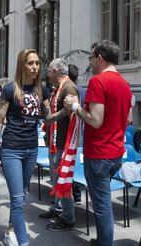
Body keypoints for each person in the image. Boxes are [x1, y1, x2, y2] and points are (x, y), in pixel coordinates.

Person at [0, 49, 68, 246]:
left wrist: (67, 110)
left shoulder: (42, 89)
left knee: (21, 196)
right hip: (12, 150)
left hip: (31, 149)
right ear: (22, 65)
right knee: (16, 199)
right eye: (30, 63)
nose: (35, 67)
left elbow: (47, 118)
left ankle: (10, 232)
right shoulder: (9, 90)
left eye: (37, 63)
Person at [64, 40, 132, 246]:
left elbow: (95, 120)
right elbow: (128, 119)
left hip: (99, 154)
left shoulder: (98, 82)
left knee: (102, 206)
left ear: (100, 58)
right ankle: (102, 242)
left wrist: (75, 107)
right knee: (103, 203)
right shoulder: (124, 83)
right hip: (115, 153)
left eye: (91, 58)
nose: (90, 62)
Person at [39, 58, 79, 232]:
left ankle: (68, 218)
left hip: (63, 144)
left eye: (48, 70)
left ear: (55, 71)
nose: (47, 74)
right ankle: (58, 209)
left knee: (63, 183)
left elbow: (73, 117)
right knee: (56, 181)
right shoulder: (60, 88)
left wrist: (70, 146)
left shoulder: (69, 88)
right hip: (56, 143)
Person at [68, 63, 85, 205]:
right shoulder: (83, 91)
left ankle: (68, 198)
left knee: (69, 164)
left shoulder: (69, 90)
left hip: (70, 134)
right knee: (76, 164)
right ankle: (77, 195)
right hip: (80, 133)